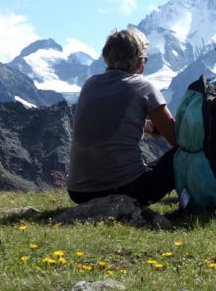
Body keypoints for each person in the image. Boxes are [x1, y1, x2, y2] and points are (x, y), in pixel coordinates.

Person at [67, 28, 177, 206]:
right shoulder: (142, 86)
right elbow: (175, 139)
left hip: (79, 193)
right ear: (140, 61)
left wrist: (146, 126)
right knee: (181, 155)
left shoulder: (90, 84)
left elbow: (105, 121)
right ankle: (197, 201)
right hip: (125, 190)